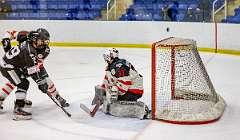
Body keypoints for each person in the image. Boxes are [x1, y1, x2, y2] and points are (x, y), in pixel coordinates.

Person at [0, 30, 69, 120]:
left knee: (19, 80)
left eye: (45, 41)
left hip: (19, 64)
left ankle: (57, 97)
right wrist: (6, 40)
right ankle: (19, 108)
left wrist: (40, 81)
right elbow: (31, 69)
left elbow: (36, 66)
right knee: (22, 83)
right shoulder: (28, 46)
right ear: (34, 39)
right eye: (42, 40)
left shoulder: (43, 49)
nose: (44, 43)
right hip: (11, 66)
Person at [91, 48, 150, 119]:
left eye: (107, 57)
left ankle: (141, 110)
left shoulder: (120, 66)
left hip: (133, 91)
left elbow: (124, 85)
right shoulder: (111, 66)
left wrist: (111, 93)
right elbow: (107, 80)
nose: (106, 59)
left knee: (115, 107)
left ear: (113, 56)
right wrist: (103, 90)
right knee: (104, 93)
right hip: (127, 90)